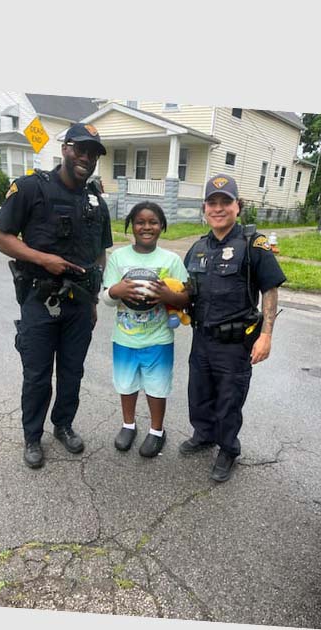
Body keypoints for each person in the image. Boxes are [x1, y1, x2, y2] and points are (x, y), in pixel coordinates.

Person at [0, 123, 112, 469]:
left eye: (93, 154)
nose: (86, 158)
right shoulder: (31, 188)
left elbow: (101, 253)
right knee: (38, 375)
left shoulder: (96, 202)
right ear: (66, 148)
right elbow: (0, 236)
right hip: (39, 299)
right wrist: (43, 259)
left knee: (72, 372)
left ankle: (63, 425)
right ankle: (32, 436)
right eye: (81, 149)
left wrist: (93, 298)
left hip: (79, 305)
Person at [180, 174, 285, 482]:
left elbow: (270, 289)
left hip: (235, 342)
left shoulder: (254, 243)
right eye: (212, 203)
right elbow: (185, 287)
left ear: (238, 206)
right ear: (204, 208)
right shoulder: (198, 247)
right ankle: (204, 435)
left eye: (225, 202)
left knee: (229, 399)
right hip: (201, 337)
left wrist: (266, 335)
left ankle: (228, 449)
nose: (218, 208)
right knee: (198, 393)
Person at [100, 202, 189, 457]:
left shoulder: (170, 260)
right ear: (131, 225)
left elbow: (186, 299)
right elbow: (107, 297)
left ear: (162, 226)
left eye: (153, 222)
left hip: (158, 339)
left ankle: (157, 431)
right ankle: (128, 425)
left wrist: (167, 295)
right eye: (140, 222)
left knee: (157, 387)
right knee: (126, 385)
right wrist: (116, 291)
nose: (147, 227)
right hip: (125, 338)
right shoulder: (118, 257)